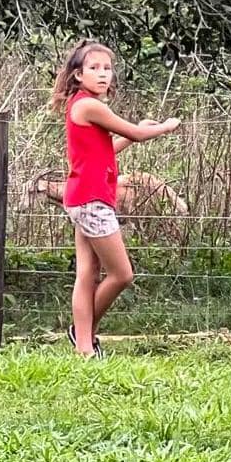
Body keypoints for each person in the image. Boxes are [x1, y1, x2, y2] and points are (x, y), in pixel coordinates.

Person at [49, 39, 180, 357]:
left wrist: (136, 133)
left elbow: (105, 149)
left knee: (87, 274)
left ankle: (84, 346)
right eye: (94, 68)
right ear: (78, 75)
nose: (103, 74)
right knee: (122, 274)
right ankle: (84, 334)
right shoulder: (90, 106)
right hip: (91, 201)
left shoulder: (80, 105)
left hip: (82, 197)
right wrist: (165, 127)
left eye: (107, 68)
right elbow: (135, 133)